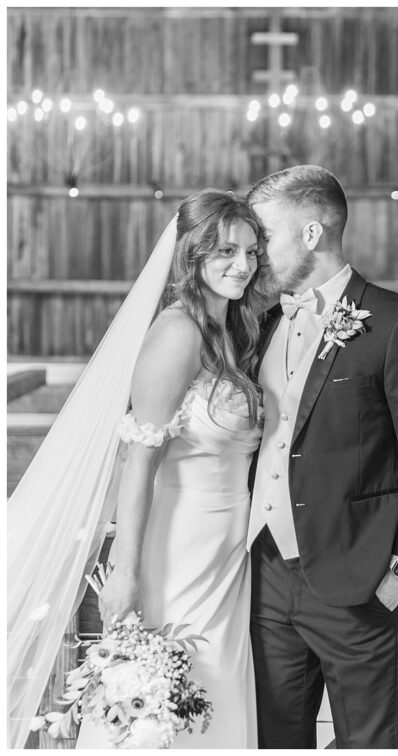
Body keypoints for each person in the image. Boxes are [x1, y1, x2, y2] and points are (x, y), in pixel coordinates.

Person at [245, 165, 398, 749]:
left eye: (265, 236)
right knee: (276, 739)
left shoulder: (397, 322)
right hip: (264, 574)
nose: (255, 253)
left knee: (367, 743)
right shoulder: (265, 324)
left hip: (359, 581)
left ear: (311, 234)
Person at [75, 191, 263, 747]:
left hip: (228, 552)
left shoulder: (232, 332)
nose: (243, 265)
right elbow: (139, 456)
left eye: (252, 252)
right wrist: (126, 571)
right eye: (225, 251)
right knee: (173, 699)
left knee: (219, 692)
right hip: (178, 554)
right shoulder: (176, 333)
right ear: (191, 255)